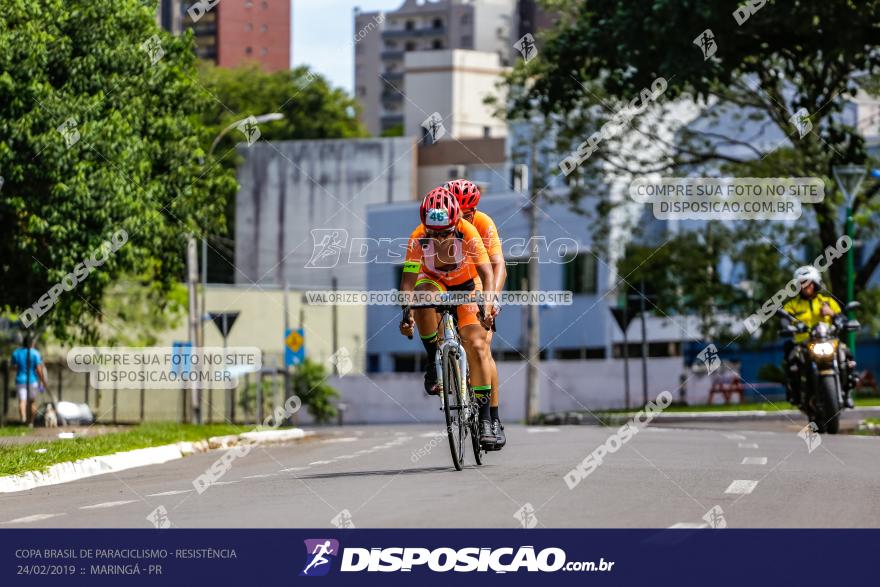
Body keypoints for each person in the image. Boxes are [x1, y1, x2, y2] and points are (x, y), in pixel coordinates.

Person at [399, 187, 498, 446]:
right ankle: (433, 359)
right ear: (424, 226)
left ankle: (486, 418)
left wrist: (486, 309)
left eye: (444, 233)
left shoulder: (469, 231)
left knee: (476, 344)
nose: (439, 239)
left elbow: (487, 275)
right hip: (436, 282)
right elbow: (408, 282)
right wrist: (406, 314)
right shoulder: (417, 237)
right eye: (433, 233)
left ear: (456, 223)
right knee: (421, 297)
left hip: (467, 284)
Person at [444, 179, 507, 450]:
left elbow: (497, 265)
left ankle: (491, 418)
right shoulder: (438, 224)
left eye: (466, 213)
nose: (461, 218)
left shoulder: (482, 223)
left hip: (479, 283)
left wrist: (491, 302)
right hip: (448, 282)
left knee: (481, 345)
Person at [782, 265, 855, 408]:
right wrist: (790, 325)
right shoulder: (792, 305)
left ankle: (847, 392)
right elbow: (784, 319)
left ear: (815, 283)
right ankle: (794, 394)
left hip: (827, 340)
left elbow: (842, 318)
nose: (805, 287)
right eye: (801, 284)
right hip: (803, 343)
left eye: (808, 283)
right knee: (791, 359)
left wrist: (832, 314)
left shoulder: (827, 301)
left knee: (846, 354)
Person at [12, 337, 49, 425]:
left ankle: (23, 419)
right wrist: (43, 381)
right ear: (32, 344)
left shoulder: (16, 353)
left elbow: (13, 366)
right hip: (32, 381)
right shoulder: (35, 353)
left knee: (22, 401)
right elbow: (39, 369)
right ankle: (31, 422)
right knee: (32, 401)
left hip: (20, 380)